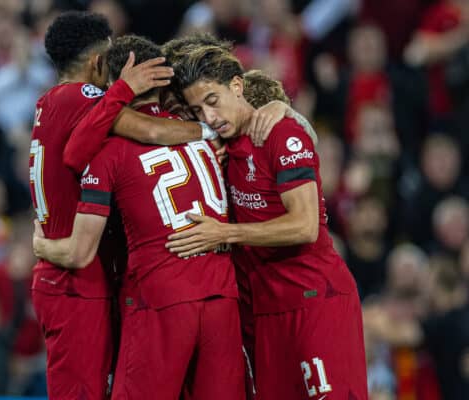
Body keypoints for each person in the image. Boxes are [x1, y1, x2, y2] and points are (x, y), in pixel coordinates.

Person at [30, 11, 241, 400]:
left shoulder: (51, 104)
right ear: (97, 65)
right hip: (81, 279)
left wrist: (42, 246)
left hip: (94, 279)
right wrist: (211, 131)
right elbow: (147, 130)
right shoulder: (86, 99)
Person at [166, 45, 368, 400]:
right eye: (199, 110)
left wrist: (224, 233)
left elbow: (305, 226)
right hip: (266, 310)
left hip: (315, 300)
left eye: (213, 100)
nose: (210, 117)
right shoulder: (222, 149)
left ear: (237, 86)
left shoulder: (279, 133)